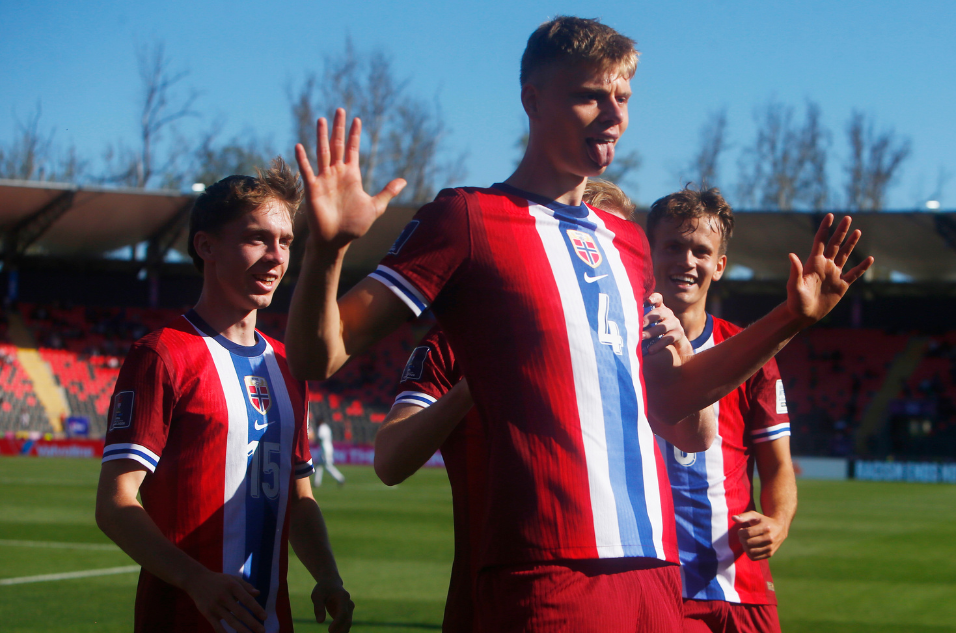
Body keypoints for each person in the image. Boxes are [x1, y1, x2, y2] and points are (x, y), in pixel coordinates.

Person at [286, 16, 871, 630]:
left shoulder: (629, 243)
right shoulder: (466, 218)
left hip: (655, 569)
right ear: (532, 100)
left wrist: (790, 318)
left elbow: (672, 399)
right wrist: (326, 251)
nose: (613, 115)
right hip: (548, 569)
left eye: (622, 97)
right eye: (590, 95)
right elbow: (320, 357)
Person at [372, 181, 652, 633]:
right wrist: (473, 383)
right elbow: (389, 460)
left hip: (630, 588)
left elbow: (693, 437)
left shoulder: (632, 348)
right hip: (498, 594)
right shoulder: (452, 344)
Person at [95, 161, 353, 633]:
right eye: (257, 238)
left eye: (286, 242)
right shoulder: (162, 355)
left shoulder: (288, 364)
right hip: (181, 621)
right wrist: (195, 581)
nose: (276, 256)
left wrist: (327, 574)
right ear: (205, 246)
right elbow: (115, 503)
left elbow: (298, 497)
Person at [648, 187, 795, 633]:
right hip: (655, 584)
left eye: (701, 251)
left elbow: (778, 466)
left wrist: (778, 522)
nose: (687, 262)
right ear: (648, 253)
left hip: (740, 589)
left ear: (720, 265)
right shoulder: (617, 346)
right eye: (673, 246)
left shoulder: (751, 354)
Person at [313, 419, 345, 487]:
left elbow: (320, 437)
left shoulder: (321, 427)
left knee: (327, 466)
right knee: (319, 465)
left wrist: (315, 441)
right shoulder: (326, 427)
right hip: (326, 448)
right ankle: (317, 483)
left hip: (325, 449)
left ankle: (340, 478)